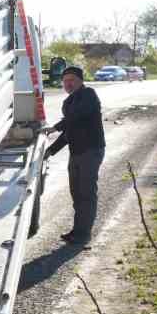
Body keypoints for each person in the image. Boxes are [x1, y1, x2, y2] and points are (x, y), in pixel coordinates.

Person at [43, 63, 106, 246]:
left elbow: (76, 116)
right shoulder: (68, 102)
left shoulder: (89, 95)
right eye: (65, 81)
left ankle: (84, 234)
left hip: (91, 151)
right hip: (76, 152)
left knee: (86, 193)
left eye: (71, 80)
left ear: (80, 81)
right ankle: (77, 230)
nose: (68, 84)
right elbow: (69, 132)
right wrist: (50, 151)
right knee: (76, 193)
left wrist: (55, 126)